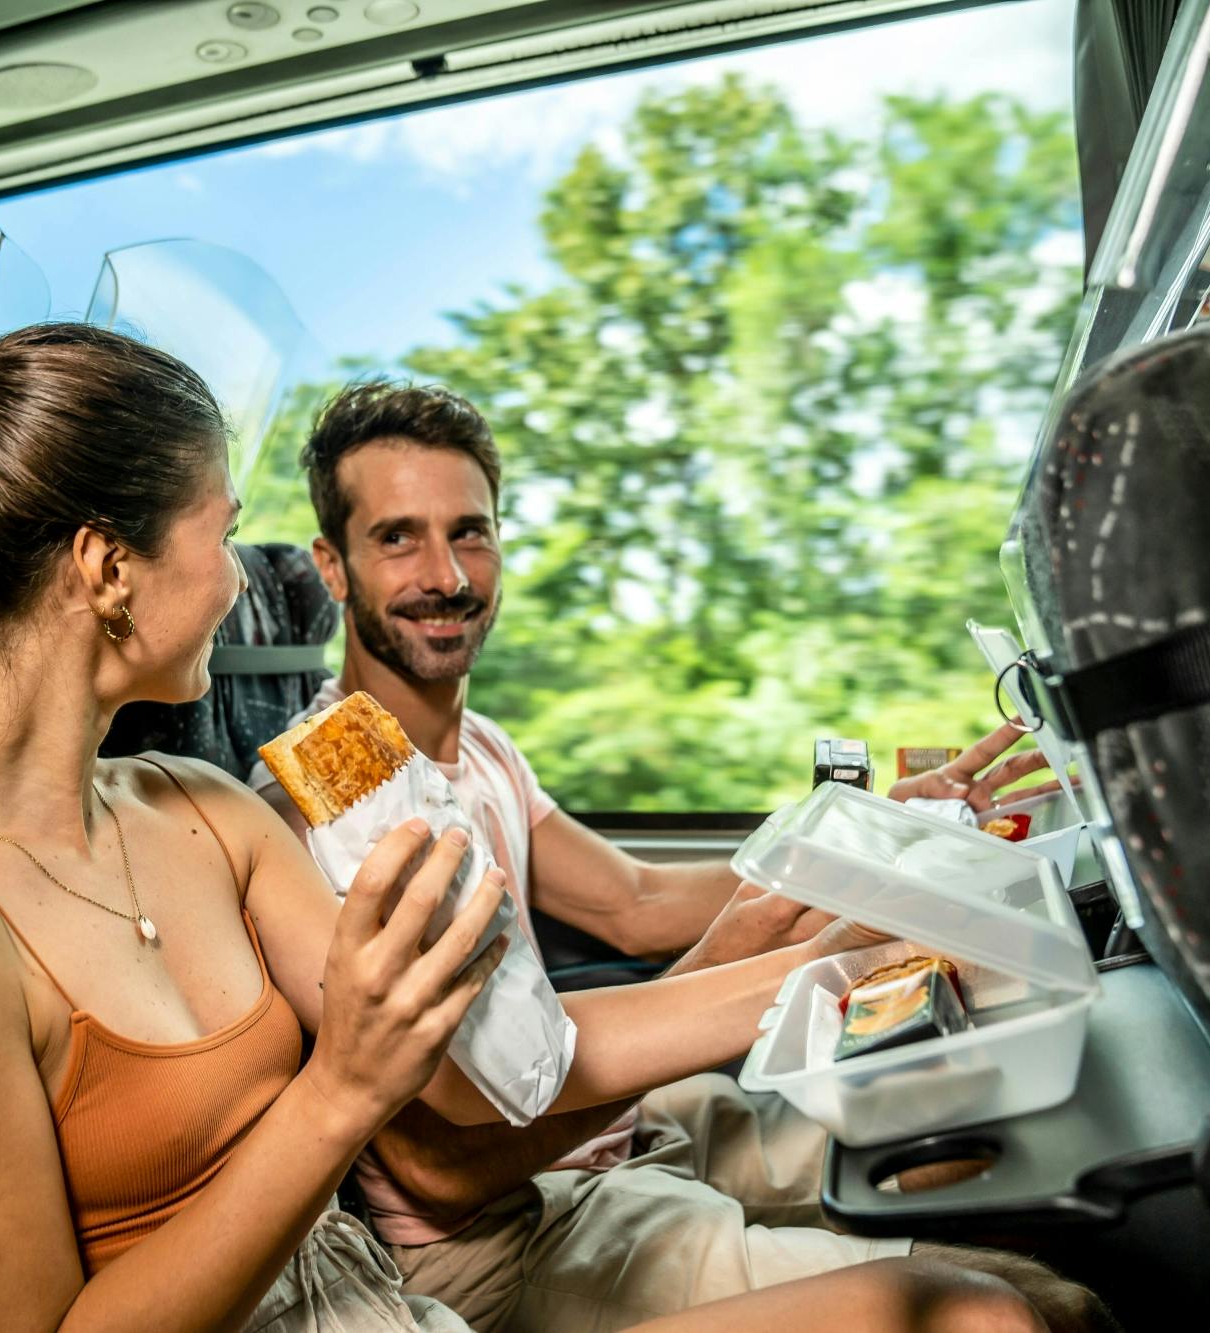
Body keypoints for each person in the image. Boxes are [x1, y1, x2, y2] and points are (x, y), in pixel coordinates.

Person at [0, 324, 1090, 1333]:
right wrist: (339, 1091)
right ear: (106, 568)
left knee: (983, 1309)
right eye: (219, 534)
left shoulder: (204, 813)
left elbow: (499, 1065)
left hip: (392, 1311)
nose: (243, 584)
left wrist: (847, 955)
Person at [250, 378, 1110, 1333]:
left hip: (617, 1138)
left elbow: (633, 902)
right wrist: (748, 971)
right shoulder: (319, 813)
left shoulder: (483, 747)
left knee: (981, 1154)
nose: (446, 574)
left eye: (472, 531)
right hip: (502, 1229)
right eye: (397, 537)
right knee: (1035, 1311)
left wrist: (862, 832)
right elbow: (436, 1171)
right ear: (332, 567)